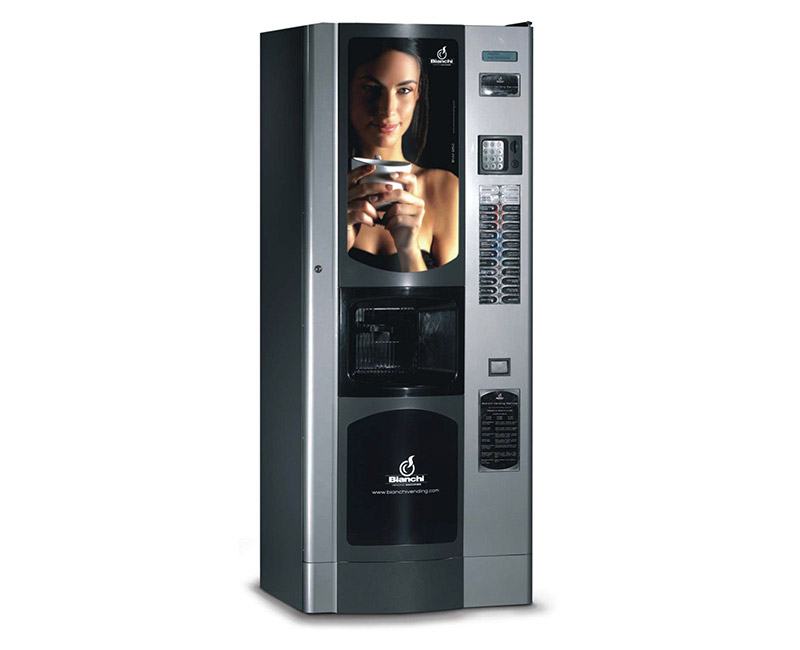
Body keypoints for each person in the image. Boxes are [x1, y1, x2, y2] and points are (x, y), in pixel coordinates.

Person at [346, 39, 458, 272]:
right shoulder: (316, 188)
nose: (388, 109)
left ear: (418, 94)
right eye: (371, 88)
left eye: (404, 90)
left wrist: (409, 249)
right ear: (347, 90)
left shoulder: (444, 188)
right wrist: (335, 244)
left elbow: (455, 293)